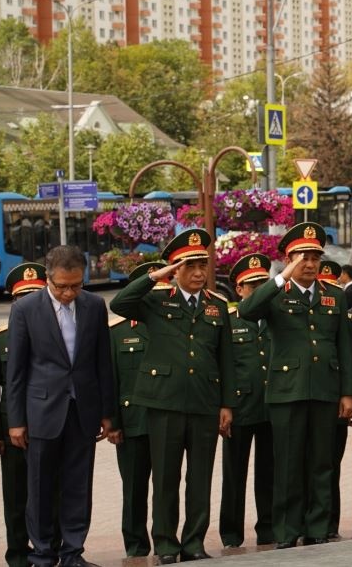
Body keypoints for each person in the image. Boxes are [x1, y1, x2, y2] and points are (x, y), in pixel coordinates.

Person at [110, 229, 235, 563]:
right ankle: (166, 543)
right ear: (175, 269)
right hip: (163, 402)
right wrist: (155, 275)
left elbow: (226, 359)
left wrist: (226, 404)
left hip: (204, 403)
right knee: (165, 478)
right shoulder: (155, 300)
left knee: (199, 479)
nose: (197, 273)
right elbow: (119, 303)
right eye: (189, 266)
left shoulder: (216, 307)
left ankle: (193, 542)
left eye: (201, 266)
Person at [238, 222, 352, 548]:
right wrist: (280, 277)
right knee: (288, 465)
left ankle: (317, 528)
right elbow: (247, 310)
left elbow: (344, 345)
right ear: (288, 259)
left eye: (314, 256)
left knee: (321, 463)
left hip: (324, 389)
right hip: (287, 391)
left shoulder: (334, 295)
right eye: (302, 257)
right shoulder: (276, 293)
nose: (309, 263)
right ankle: (287, 531)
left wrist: (347, 393)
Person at [6, 245, 114, 567]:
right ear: (48, 279)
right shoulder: (26, 308)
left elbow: (102, 363)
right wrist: (16, 420)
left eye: (76, 285)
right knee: (39, 488)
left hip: (82, 410)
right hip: (41, 412)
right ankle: (41, 555)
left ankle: (72, 553)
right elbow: (16, 370)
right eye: (62, 286)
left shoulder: (94, 306)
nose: (69, 293)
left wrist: (108, 413)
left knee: (78, 486)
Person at [0, 262, 49, 567]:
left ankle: (50, 550)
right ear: (13, 301)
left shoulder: (60, 333)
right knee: (16, 496)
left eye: (34, 296)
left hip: (49, 424)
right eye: (21, 298)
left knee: (53, 492)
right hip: (12, 429)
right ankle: (17, 554)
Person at [219, 253, 275, 548]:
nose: (258, 290)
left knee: (269, 472)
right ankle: (231, 533)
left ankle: (267, 529)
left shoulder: (275, 316)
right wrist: (224, 405)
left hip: (270, 405)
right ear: (239, 290)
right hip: (240, 408)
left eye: (263, 284)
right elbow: (223, 366)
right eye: (252, 286)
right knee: (234, 473)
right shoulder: (229, 321)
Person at [108, 261, 161, 558]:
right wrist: (113, 423)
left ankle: (165, 540)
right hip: (131, 423)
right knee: (134, 489)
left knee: (165, 487)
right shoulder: (116, 332)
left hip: (165, 419)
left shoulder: (170, 321)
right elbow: (111, 378)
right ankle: (136, 545)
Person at [316, 259, 350, 541]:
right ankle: (298, 525)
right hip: (301, 392)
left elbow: (348, 353)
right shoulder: (285, 295)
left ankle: (327, 524)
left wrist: (348, 394)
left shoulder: (337, 303)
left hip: (333, 395)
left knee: (328, 464)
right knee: (298, 464)